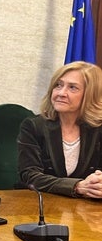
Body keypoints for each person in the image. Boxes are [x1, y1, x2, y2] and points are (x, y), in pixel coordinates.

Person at [18, 61, 102, 198]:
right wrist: (77, 186)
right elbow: (30, 176)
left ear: (90, 94)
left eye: (73, 88)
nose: (61, 93)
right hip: (41, 205)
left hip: (87, 209)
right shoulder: (33, 126)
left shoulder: (98, 128)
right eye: (58, 85)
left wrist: (98, 183)